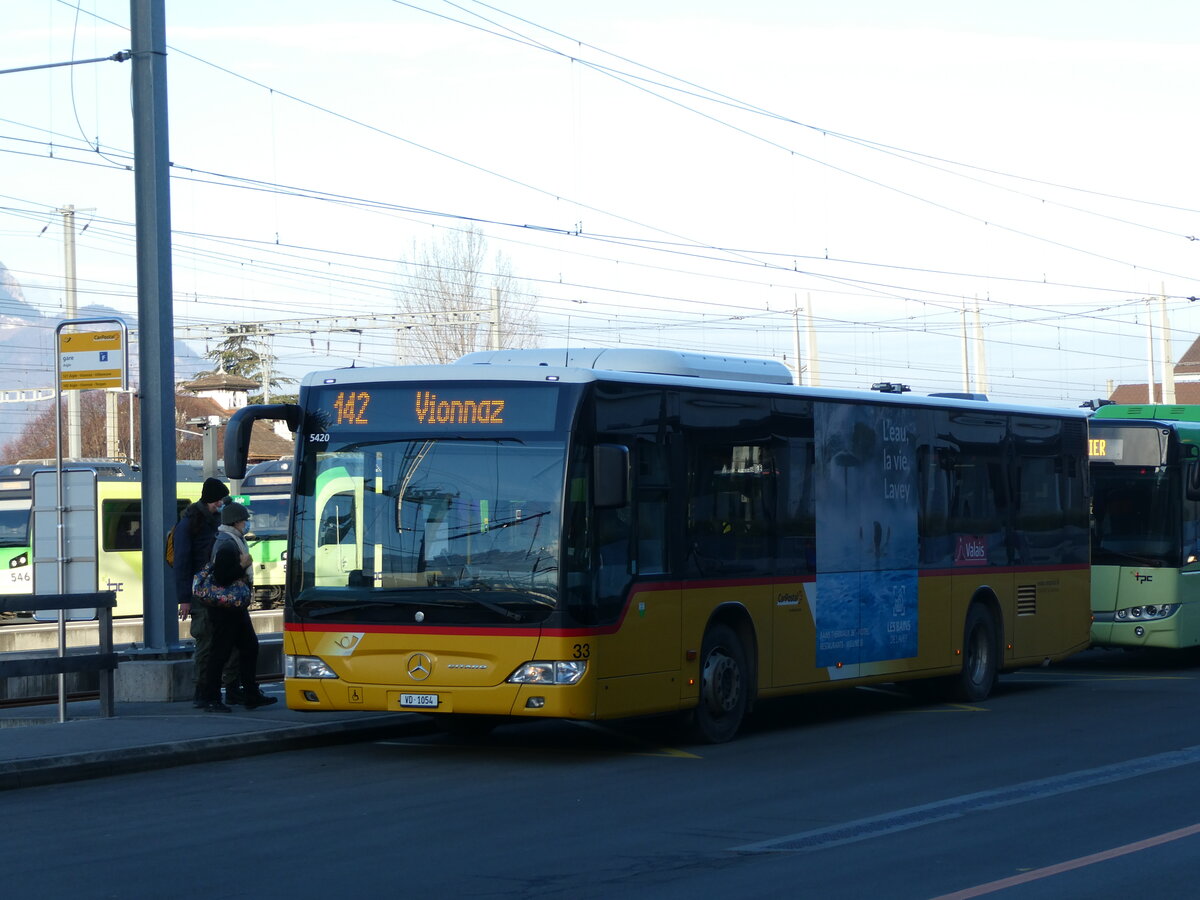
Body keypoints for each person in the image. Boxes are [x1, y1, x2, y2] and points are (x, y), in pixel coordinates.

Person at [201, 502, 277, 712]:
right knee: (221, 652)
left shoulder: (231, 540)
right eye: (244, 520)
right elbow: (222, 577)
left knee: (249, 647)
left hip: (234, 608)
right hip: (226, 608)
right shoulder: (227, 544)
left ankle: (251, 693)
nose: (246, 523)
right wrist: (243, 565)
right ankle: (212, 698)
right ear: (236, 521)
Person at [174, 476, 241, 708]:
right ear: (208, 499)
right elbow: (182, 563)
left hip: (220, 589)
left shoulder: (216, 520)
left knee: (228, 640)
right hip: (200, 593)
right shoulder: (189, 524)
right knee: (206, 640)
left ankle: (231, 687)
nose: (220, 504)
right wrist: (184, 599)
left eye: (222, 501)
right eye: (217, 501)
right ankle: (202, 691)